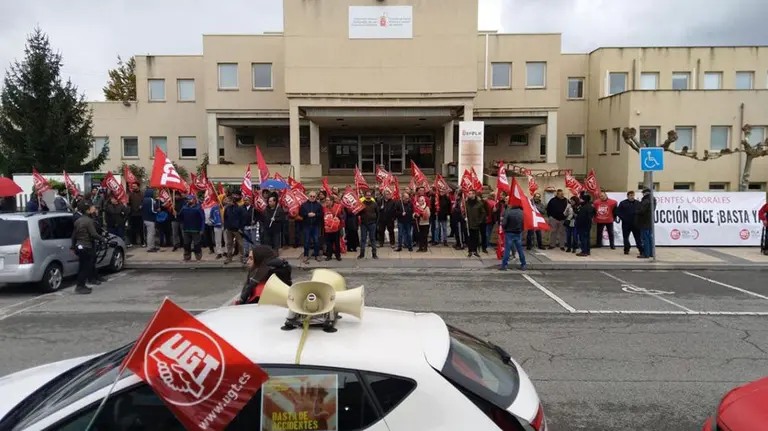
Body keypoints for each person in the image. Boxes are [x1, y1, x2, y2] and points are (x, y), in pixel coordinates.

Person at [71, 203, 106, 294]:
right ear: (87, 211)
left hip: (79, 246)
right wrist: (103, 239)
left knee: (82, 266)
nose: (93, 210)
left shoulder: (77, 221)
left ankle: (81, 285)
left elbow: (74, 235)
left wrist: (73, 246)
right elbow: (93, 234)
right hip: (86, 246)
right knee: (86, 267)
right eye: (91, 209)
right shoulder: (89, 221)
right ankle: (80, 287)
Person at [178, 194, 205, 261]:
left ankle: (198, 256)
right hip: (186, 229)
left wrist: (202, 229)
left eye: (190, 199)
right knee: (186, 244)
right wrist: (176, 214)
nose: (189, 200)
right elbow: (180, 217)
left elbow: (203, 219)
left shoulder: (198, 208)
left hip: (196, 229)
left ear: (194, 200)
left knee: (196, 244)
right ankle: (187, 256)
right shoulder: (184, 208)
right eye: (188, 199)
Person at [499, 201, 525, 271]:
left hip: (509, 232)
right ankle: (523, 264)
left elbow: (504, 223)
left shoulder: (508, 212)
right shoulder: (521, 212)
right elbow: (523, 223)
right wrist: (521, 229)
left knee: (507, 249)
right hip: (518, 232)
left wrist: (504, 229)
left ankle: (504, 265)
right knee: (520, 249)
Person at [299, 191, 323, 263]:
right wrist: (307, 214)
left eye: (314, 196)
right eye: (311, 196)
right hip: (307, 225)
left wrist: (315, 214)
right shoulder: (304, 205)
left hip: (316, 226)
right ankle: (306, 255)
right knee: (306, 241)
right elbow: (300, 213)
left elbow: (321, 214)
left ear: (316, 197)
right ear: (308, 196)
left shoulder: (319, 205)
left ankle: (316, 255)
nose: (312, 197)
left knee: (316, 241)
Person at [616, 191, 643, 255]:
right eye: (630, 195)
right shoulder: (623, 203)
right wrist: (624, 219)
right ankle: (626, 249)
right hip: (626, 224)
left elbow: (641, 212)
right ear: (627, 196)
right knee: (625, 237)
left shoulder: (638, 203)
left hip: (635, 223)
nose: (632, 197)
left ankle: (641, 249)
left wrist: (638, 220)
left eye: (633, 195)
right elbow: (618, 212)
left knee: (638, 237)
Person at [223, 196, 246, 264]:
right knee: (229, 244)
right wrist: (226, 227)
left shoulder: (239, 208)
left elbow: (243, 219)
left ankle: (243, 258)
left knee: (240, 244)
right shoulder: (227, 208)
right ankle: (229, 258)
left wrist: (241, 228)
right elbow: (225, 218)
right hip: (229, 229)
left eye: (229, 201)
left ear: (232, 201)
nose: (227, 202)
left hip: (237, 229)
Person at [465, 190, 487, 258]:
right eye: (469, 193)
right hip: (468, 223)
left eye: (470, 193)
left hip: (476, 223)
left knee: (476, 238)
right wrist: (464, 217)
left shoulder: (479, 203)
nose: (469, 195)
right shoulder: (466, 203)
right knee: (469, 238)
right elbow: (463, 211)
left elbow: (483, 213)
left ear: (474, 195)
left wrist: (480, 221)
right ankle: (470, 251)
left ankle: (475, 251)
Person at [358, 189, 379, 259]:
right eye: (367, 195)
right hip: (363, 224)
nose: (368, 196)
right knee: (363, 239)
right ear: (365, 196)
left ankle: (374, 254)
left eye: (369, 195)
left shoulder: (374, 204)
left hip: (372, 224)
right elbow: (358, 213)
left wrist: (376, 222)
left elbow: (378, 213)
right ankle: (362, 254)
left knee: (373, 239)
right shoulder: (362, 204)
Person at [636, 188, 656, 259]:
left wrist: (636, 211)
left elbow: (642, 211)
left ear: (645, 193)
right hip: (649, 222)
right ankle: (651, 253)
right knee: (650, 238)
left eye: (643, 193)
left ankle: (646, 254)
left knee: (645, 238)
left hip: (644, 222)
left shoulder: (646, 200)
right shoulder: (653, 199)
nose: (642, 194)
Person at [323, 196, 343, 261]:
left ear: (331, 201)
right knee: (329, 243)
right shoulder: (324, 208)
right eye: (326, 200)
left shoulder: (338, 207)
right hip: (327, 229)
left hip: (335, 229)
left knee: (337, 243)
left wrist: (338, 218)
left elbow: (342, 215)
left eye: (328, 200)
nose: (326, 201)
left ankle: (338, 256)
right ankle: (329, 255)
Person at [141, 188, 160, 252]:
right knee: (151, 234)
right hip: (150, 219)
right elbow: (152, 210)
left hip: (145, 218)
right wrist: (157, 211)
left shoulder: (144, 200)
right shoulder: (151, 200)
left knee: (151, 233)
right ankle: (150, 248)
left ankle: (152, 246)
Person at [127, 183, 144, 248]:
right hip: (132, 214)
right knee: (132, 229)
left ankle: (142, 242)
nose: (133, 187)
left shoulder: (142, 194)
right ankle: (133, 242)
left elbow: (144, 202)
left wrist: (142, 206)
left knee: (141, 229)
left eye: (134, 186)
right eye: (132, 186)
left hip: (140, 214)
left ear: (138, 186)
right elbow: (129, 204)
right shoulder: (131, 194)